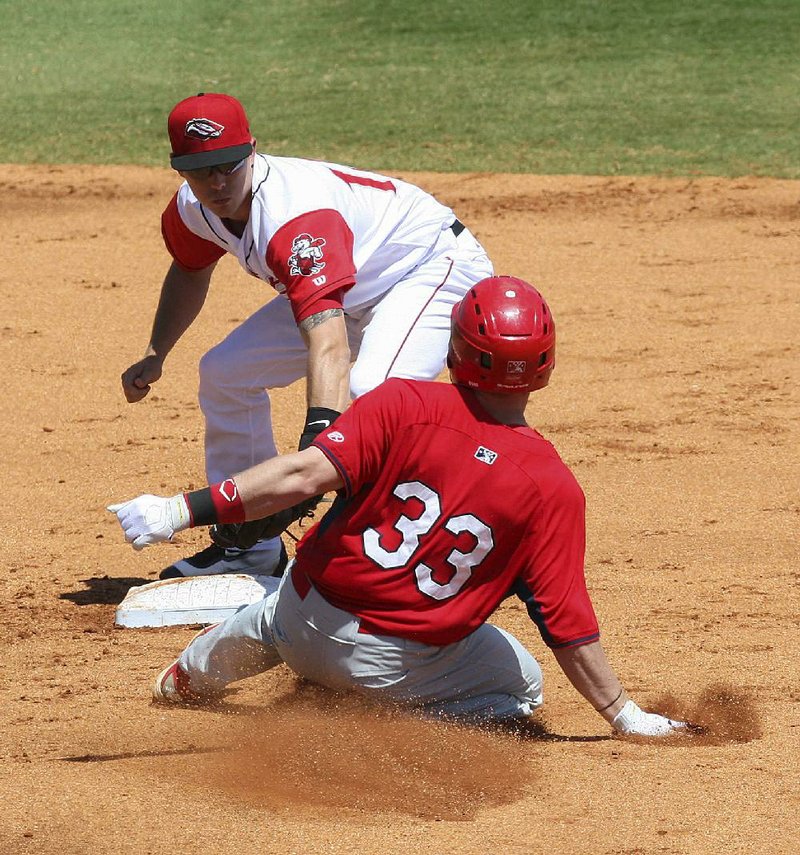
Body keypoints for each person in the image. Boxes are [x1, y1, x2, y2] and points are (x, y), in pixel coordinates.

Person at [110, 277, 688, 737]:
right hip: (387, 670)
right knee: (523, 684)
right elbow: (566, 622)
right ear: (545, 365)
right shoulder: (552, 488)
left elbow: (302, 473)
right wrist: (621, 712)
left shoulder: (402, 402)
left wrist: (178, 512)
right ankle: (375, 724)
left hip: (298, 620)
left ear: (458, 350)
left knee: (275, 611)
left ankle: (189, 675)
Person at [120, 91, 494, 580]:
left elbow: (329, 344)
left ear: (252, 150)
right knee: (225, 373)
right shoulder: (193, 207)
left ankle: (393, 551)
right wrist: (157, 349)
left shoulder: (295, 219)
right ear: (179, 169)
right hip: (351, 286)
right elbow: (190, 270)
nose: (216, 181)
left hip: (425, 267)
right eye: (200, 168)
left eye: (229, 164)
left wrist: (317, 453)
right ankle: (250, 548)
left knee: (371, 394)